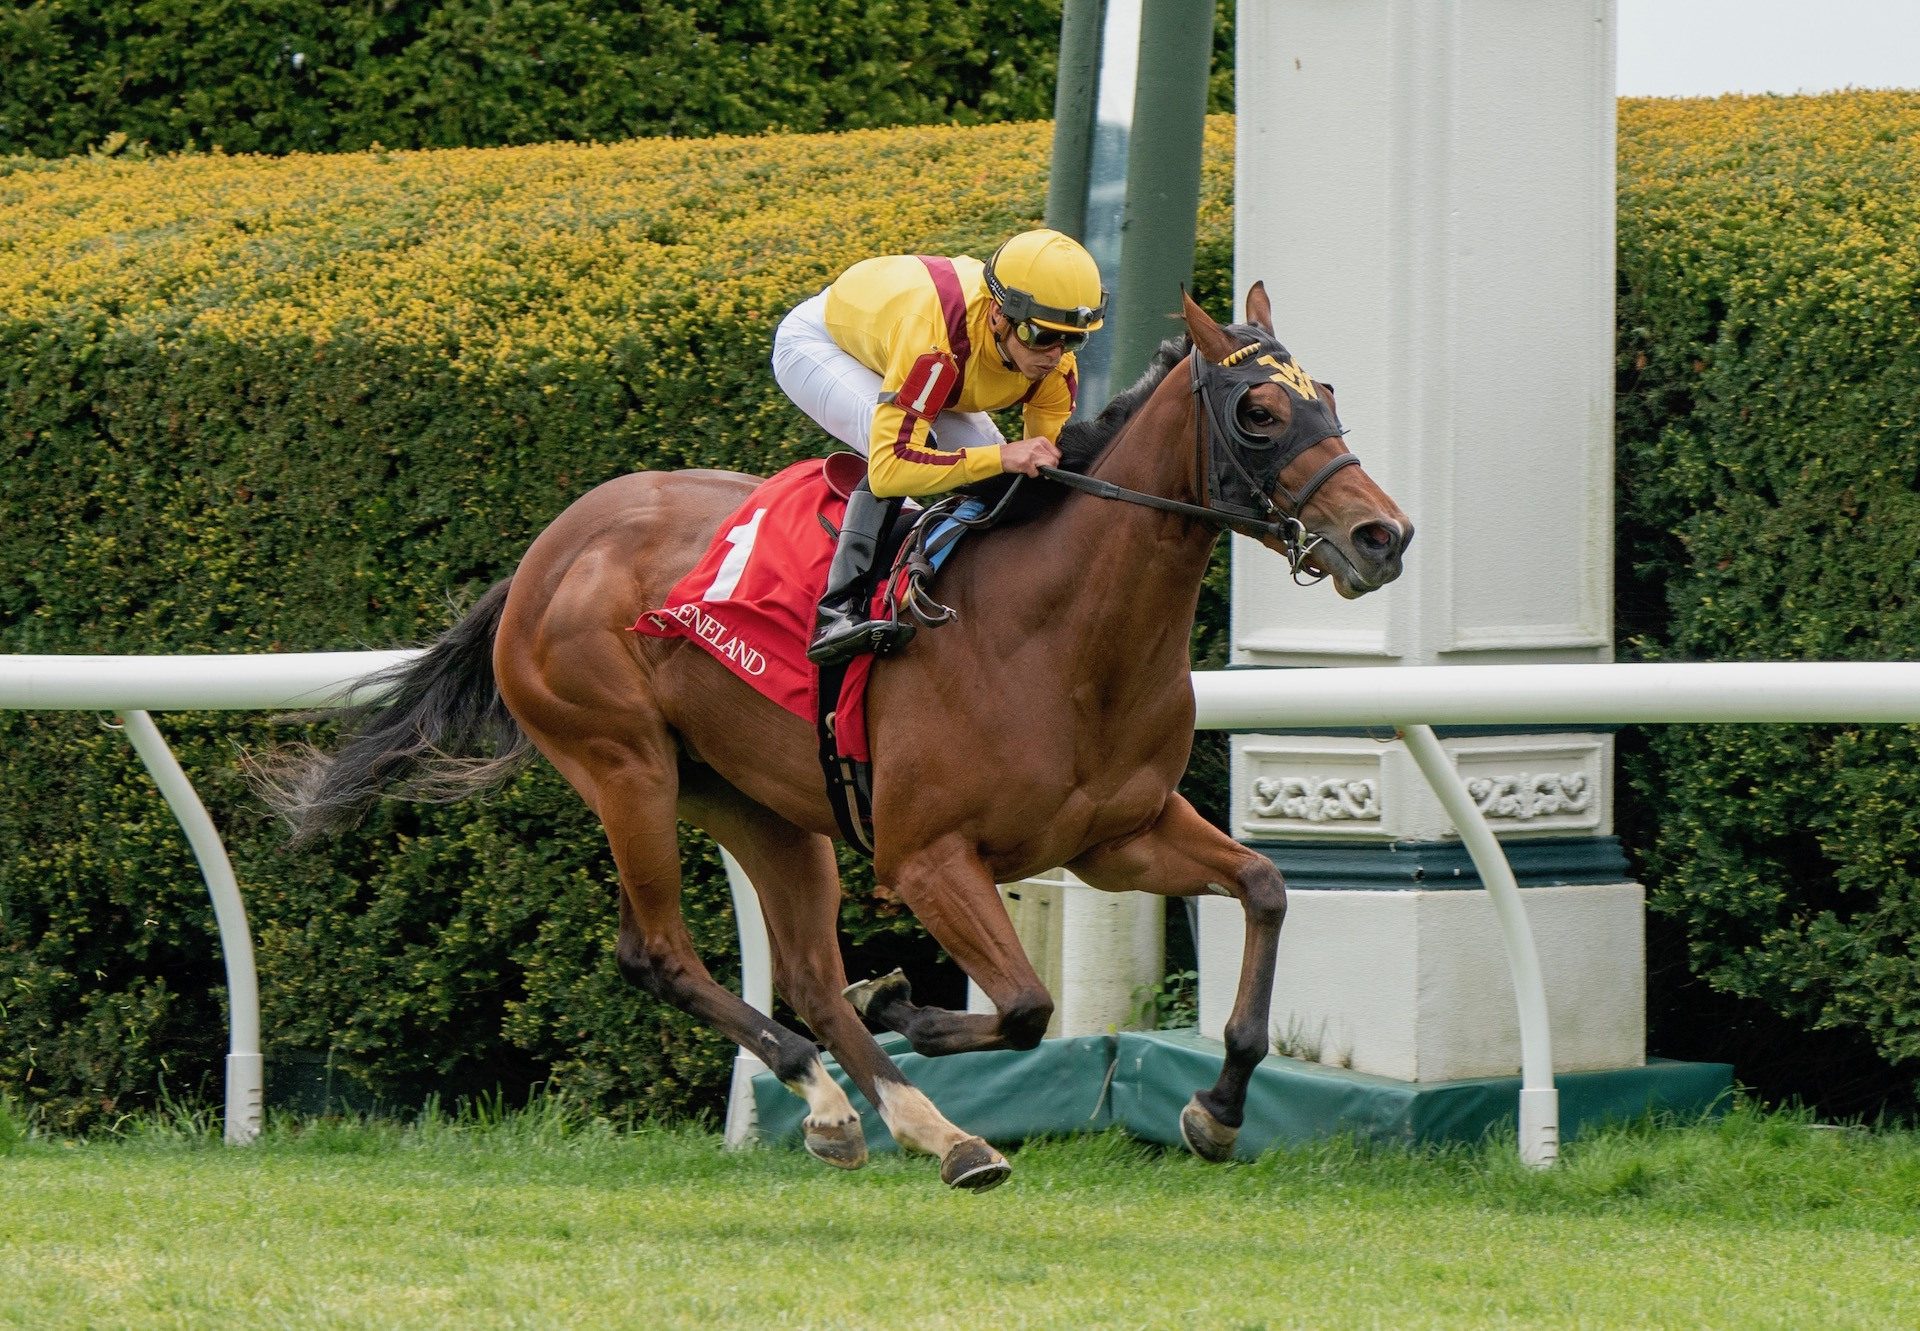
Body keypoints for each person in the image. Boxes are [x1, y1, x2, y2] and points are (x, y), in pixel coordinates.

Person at [771, 227, 1106, 664]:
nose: (1055, 354)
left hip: (932, 367)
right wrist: (1001, 456)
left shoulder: (1056, 367)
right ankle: (837, 612)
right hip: (823, 346)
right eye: (1041, 337)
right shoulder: (932, 342)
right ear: (998, 316)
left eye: (1072, 339)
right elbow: (892, 467)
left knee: (1007, 476)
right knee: (924, 447)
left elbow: (1042, 470)